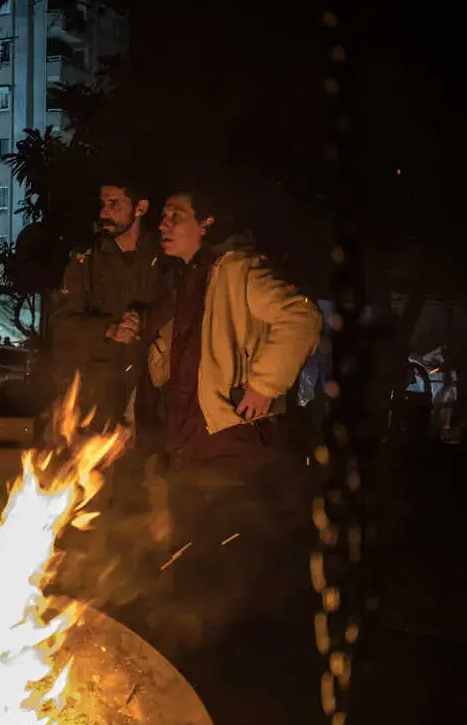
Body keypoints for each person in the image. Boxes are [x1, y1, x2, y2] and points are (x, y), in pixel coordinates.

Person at [140, 188, 322, 649]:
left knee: (223, 556)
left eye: (175, 215)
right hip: (186, 441)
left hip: (229, 441)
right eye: (163, 216)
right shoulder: (183, 280)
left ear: (207, 224)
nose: (163, 224)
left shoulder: (238, 271)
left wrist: (265, 383)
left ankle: (234, 658)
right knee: (190, 551)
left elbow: (301, 317)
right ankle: (196, 653)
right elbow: (185, 350)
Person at [47, 178, 166, 433]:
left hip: (154, 393)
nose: (105, 213)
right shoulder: (85, 261)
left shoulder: (164, 256)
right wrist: (108, 330)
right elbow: (62, 324)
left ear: (140, 208)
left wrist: (144, 322)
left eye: (114, 204)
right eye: (103, 204)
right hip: (98, 397)